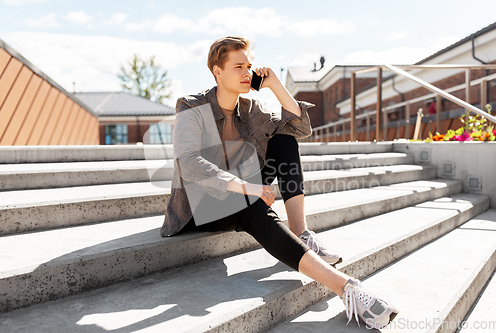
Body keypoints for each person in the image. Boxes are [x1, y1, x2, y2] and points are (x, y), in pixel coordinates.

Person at [160, 36, 398, 329]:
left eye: (249, 66)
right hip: (200, 206)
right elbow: (189, 164)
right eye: (238, 66)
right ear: (217, 71)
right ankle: (346, 287)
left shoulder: (250, 110)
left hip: (241, 190)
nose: (247, 72)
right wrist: (247, 187)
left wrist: (275, 85)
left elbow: (299, 127)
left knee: (284, 140)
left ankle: (301, 232)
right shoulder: (191, 107)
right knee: (250, 205)